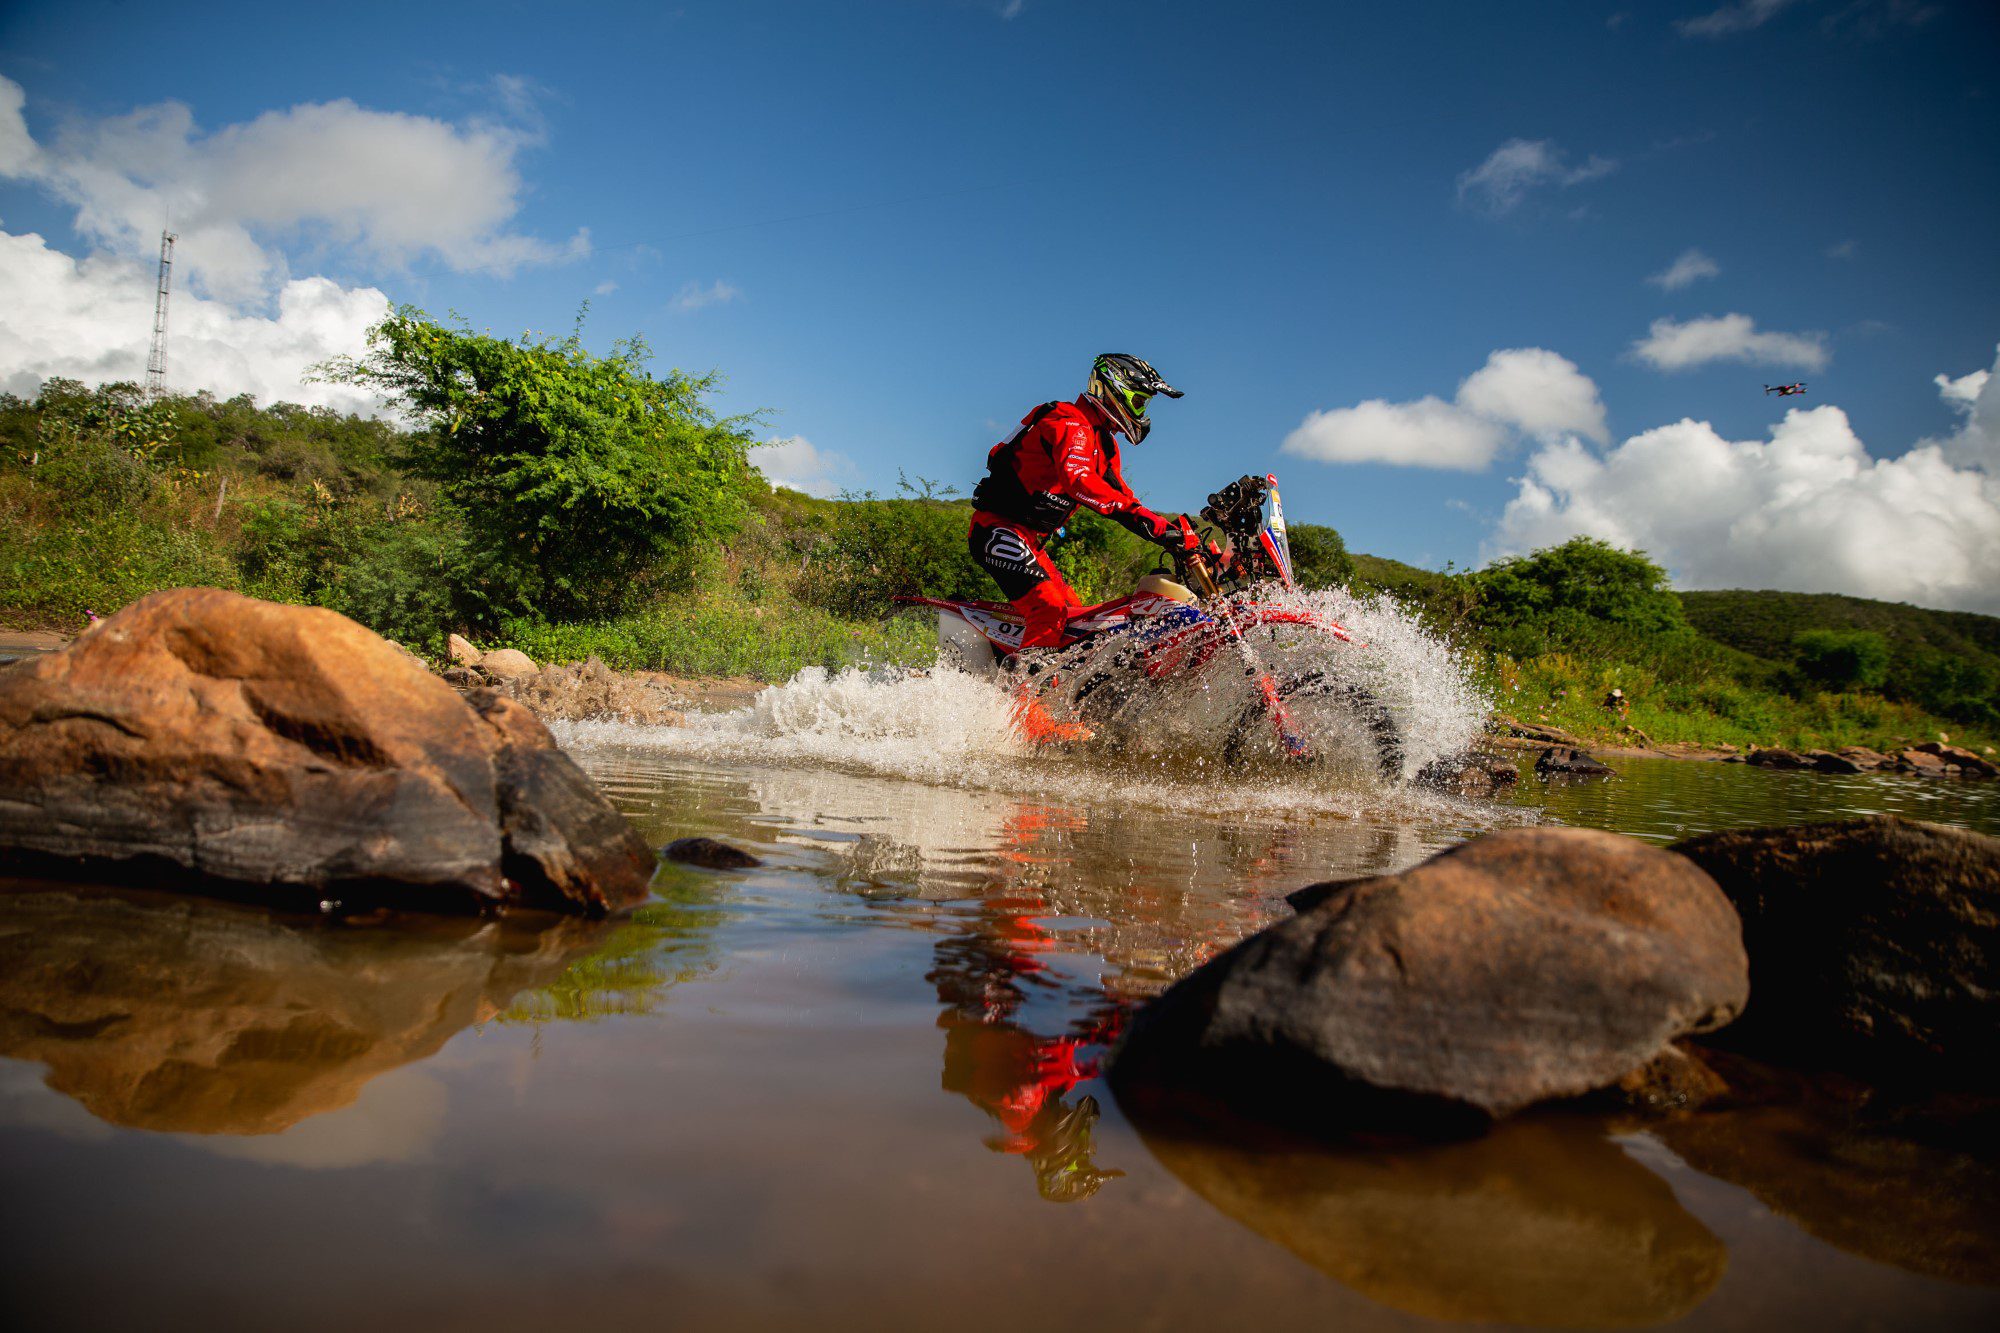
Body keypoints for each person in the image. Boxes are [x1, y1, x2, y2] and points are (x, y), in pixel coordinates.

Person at [969, 353, 1199, 654]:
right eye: (1140, 402)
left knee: (1078, 622)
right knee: (1049, 613)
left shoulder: (1103, 443)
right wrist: (1152, 526)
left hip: (1030, 541)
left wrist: (1170, 531)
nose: (1142, 412)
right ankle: (1023, 698)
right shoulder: (1068, 421)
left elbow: (1124, 500)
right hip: (997, 529)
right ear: (1116, 390)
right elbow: (1078, 481)